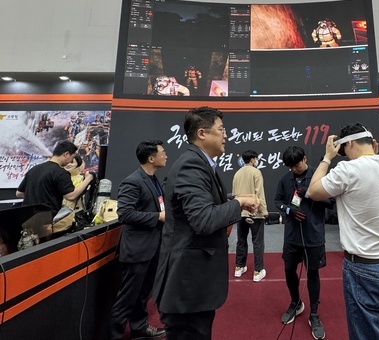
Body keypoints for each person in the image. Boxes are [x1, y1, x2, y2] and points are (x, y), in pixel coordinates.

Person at [152, 106, 258, 340]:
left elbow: (202, 206)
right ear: (202, 133)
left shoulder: (199, 162)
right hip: (186, 285)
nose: (226, 135)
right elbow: (204, 219)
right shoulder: (192, 165)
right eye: (221, 129)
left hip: (192, 285)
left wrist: (233, 201)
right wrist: (239, 202)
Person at [307, 123, 379, 340]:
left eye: (345, 150)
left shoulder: (348, 170)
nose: (346, 155)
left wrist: (327, 157)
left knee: (366, 334)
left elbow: (313, 191)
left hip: (364, 268)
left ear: (350, 143)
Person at [274, 146, 334, 340]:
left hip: (313, 236)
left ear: (305, 159)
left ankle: (314, 313)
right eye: (290, 166)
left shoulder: (319, 176)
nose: (294, 169)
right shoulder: (285, 179)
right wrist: (289, 210)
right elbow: (277, 201)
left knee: (312, 273)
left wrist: (309, 193)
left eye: (297, 165)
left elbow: (331, 202)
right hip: (292, 236)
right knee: (289, 270)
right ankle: (296, 303)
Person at [109, 140, 167, 340]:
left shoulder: (154, 180)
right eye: (162, 152)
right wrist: (158, 217)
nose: (165, 155)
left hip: (152, 247)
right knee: (126, 298)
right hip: (137, 250)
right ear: (151, 158)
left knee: (143, 294)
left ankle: (139, 328)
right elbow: (124, 214)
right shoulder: (133, 181)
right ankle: (115, 335)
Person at [16, 140, 95, 216]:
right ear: (66, 154)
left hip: (26, 216)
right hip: (46, 217)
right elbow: (71, 196)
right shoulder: (60, 172)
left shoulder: (34, 169)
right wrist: (88, 179)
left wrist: (36, 195)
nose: (70, 162)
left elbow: (19, 193)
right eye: (72, 158)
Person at [232, 149, 269, 282]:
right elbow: (259, 193)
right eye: (256, 159)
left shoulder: (237, 173)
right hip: (255, 212)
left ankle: (239, 267)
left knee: (241, 240)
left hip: (240, 212)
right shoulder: (256, 172)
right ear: (253, 159)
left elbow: (234, 194)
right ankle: (258, 270)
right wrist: (263, 210)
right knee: (257, 242)